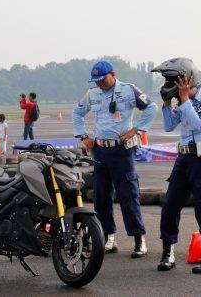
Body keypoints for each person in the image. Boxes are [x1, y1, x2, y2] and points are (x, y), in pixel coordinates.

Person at [72, 61, 158, 258]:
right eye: (96, 81)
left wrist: (136, 129)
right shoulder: (91, 94)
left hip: (121, 151)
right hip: (100, 151)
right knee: (101, 197)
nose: (99, 84)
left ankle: (139, 239)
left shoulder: (129, 90)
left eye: (102, 80)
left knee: (128, 195)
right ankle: (109, 237)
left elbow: (151, 107)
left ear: (113, 74)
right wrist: (83, 136)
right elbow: (77, 113)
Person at [151, 58, 201, 274]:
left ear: (187, 79)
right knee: (170, 205)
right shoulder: (181, 101)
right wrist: (166, 104)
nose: (168, 83)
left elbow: (199, 123)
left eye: (172, 79)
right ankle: (168, 253)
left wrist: (183, 100)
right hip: (183, 159)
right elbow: (169, 126)